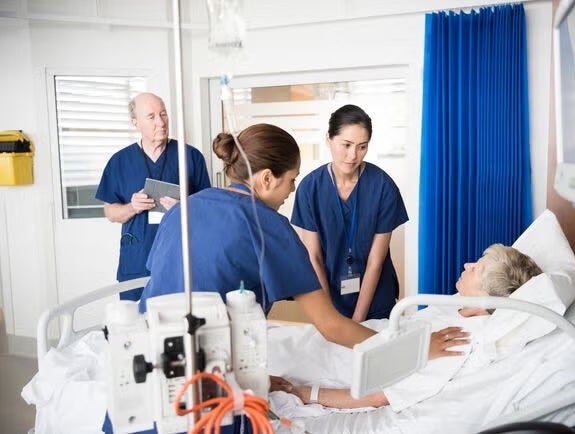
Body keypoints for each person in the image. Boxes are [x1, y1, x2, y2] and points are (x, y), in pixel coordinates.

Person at [139, 122, 467, 433]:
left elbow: (179, 290)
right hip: (201, 392)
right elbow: (331, 326)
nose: (292, 190)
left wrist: (257, 376)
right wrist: (416, 348)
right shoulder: (267, 225)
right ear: (266, 178)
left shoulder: (183, 209)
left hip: (144, 368)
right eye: (291, 180)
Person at [270, 244, 542, 410]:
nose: (466, 264)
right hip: (343, 341)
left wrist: (307, 393)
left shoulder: (458, 341)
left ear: (485, 296)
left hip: (340, 364)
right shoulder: (457, 307)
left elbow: (379, 397)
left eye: (476, 268)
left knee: (253, 364)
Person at [291, 104, 408, 322]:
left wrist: (357, 320)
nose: (353, 155)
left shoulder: (383, 186)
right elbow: (314, 257)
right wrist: (330, 317)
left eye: (362, 147)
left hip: (375, 301)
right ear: (329, 139)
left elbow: (376, 260)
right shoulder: (310, 188)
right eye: (346, 145)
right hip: (329, 295)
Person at [96, 92, 211, 301]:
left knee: (180, 324)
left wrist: (184, 207)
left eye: (163, 114)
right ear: (135, 122)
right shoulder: (119, 162)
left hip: (180, 259)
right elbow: (111, 213)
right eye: (151, 117)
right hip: (137, 260)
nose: (161, 122)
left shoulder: (191, 157)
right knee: (135, 324)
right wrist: (132, 206)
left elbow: (208, 214)